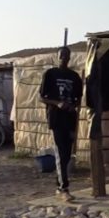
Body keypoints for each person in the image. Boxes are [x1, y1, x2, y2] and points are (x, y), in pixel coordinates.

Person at [39, 46, 83, 201]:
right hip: (56, 119)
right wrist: (57, 103)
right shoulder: (50, 74)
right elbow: (41, 97)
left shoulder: (74, 76)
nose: (64, 58)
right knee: (59, 152)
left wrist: (73, 105)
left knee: (67, 154)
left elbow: (78, 98)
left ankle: (59, 186)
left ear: (70, 57)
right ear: (57, 56)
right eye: (61, 55)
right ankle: (64, 188)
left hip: (70, 119)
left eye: (66, 55)